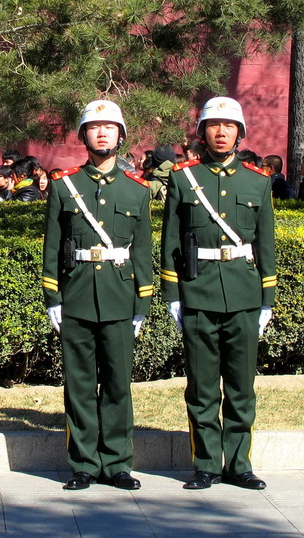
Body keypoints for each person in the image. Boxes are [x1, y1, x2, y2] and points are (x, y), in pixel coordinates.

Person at [160, 96, 276, 491]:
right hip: (197, 291)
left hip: (244, 294)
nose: (221, 132)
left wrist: (267, 299)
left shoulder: (258, 182)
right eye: (214, 125)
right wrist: (173, 294)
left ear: (240, 133)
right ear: (202, 132)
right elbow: (170, 240)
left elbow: (266, 243)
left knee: (242, 386)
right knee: (202, 386)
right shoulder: (182, 178)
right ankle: (206, 463)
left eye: (229, 126)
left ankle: (240, 463)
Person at [41, 99, 153, 491]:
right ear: (84, 135)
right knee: (80, 384)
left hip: (120, 297)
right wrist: (53, 298)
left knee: (119, 384)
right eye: (94, 127)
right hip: (76, 296)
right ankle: (85, 463)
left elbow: (142, 250)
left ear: (121, 136)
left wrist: (144, 302)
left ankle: (118, 463)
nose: (102, 133)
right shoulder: (63, 186)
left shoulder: (137, 191)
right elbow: (52, 246)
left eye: (110, 127)